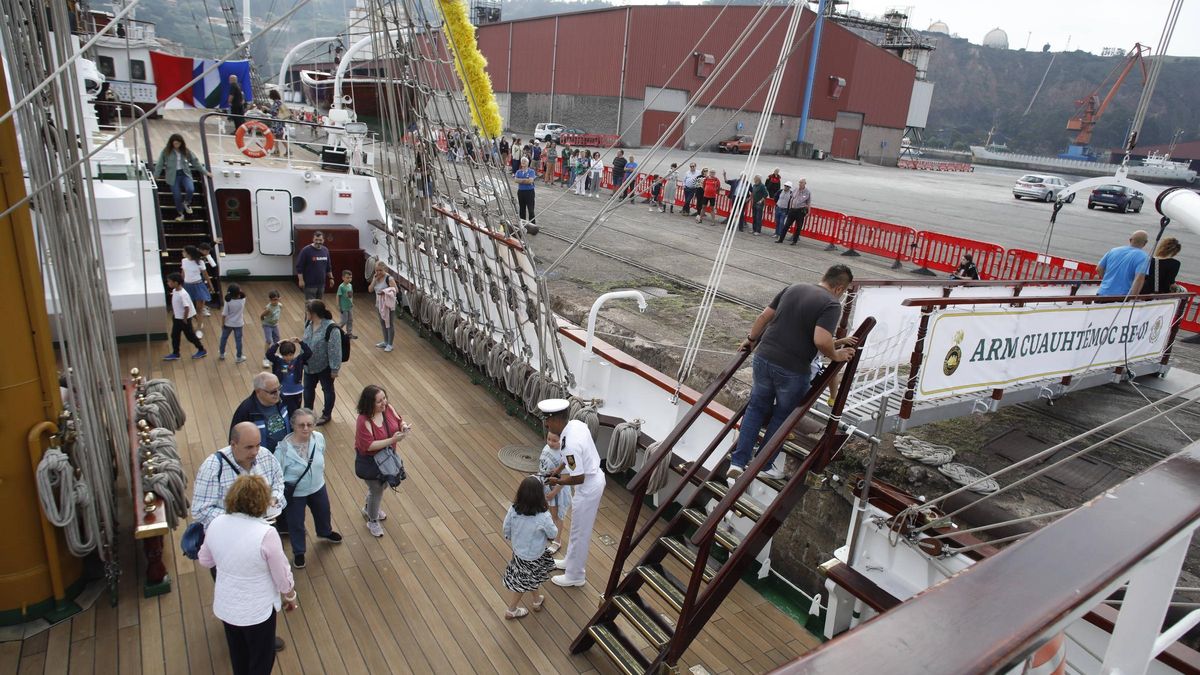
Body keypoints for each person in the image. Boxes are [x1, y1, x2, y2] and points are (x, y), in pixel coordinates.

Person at [728, 265, 858, 479]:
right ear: (839, 288)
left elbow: (763, 317)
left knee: (756, 408)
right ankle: (762, 467)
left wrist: (751, 340)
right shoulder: (831, 304)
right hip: (793, 369)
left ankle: (738, 461)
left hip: (764, 357)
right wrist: (837, 355)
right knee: (782, 417)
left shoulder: (793, 288)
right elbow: (821, 340)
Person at [197, 474, 296, 675]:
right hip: (257, 613)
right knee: (262, 660)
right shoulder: (266, 534)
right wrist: (290, 596)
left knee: (239, 657)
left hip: (227, 608)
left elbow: (205, 560)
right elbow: (282, 577)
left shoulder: (215, 524)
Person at [540, 398, 606, 588]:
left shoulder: (570, 444)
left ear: (557, 420)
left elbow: (578, 478)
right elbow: (567, 458)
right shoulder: (575, 425)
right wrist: (558, 470)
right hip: (592, 479)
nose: (546, 423)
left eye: (548, 419)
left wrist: (556, 481)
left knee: (580, 533)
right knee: (577, 529)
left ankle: (576, 575)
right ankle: (570, 561)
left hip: (588, 487)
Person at [277, 408, 342, 568]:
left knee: (323, 511)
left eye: (309, 424)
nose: (306, 428)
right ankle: (299, 551)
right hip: (295, 493)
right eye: (301, 425)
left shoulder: (318, 438)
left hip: (318, 486)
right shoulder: (283, 450)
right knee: (296, 522)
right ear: (293, 425)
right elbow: (277, 474)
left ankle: (325, 531)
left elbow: (322, 453)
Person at [354, 385, 410, 537]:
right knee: (377, 490)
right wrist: (392, 439)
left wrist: (403, 427)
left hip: (386, 459)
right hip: (371, 462)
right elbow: (369, 446)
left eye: (384, 398)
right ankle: (372, 520)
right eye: (379, 401)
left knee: (381, 487)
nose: (384, 403)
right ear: (369, 403)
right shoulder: (363, 421)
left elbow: (399, 420)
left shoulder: (388, 409)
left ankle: (369, 506)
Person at [501, 476, 558, 620]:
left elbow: (506, 527)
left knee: (530, 577)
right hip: (535, 554)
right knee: (523, 582)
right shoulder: (543, 516)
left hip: (519, 552)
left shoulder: (514, 509)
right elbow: (553, 533)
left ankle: (536, 600)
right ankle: (511, 610)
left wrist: (510, 537)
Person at [302, 301, 342, 426]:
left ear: (314, 313)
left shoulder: (331, 328)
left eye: (307, 311)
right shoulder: (309, 323)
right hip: (309, 366)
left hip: (325, 367)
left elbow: (335, 350)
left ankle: (326, 414)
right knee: (308, 389)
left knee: (327, 390)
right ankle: (307, 413)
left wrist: (334, 369)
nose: (305, 313)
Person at [155, 133, 211, 221]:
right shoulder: (166, 151)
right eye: (175, 143)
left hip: (185, 174)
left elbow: (195, 162)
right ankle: (181, 214)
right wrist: (156, 176)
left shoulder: (186, 151)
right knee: (177, 196)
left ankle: (187, 203)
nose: (176, 145)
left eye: (178, 143)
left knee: (190, 189)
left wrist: (205, 172)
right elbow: (159, 164)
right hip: (173, 176)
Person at [539, 431, 570, 555]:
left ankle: (557, 541)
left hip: (557, 490)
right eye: (548, 439)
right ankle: (550, 532)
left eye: (554, 440)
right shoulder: (547, 448)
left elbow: (566, 477)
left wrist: (554, 492)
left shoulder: (565, 455)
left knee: (556, 515)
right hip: (546, 486)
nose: (550, 443)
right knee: (547, 512)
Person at [163, 272, 206, 361]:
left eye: (170, 282)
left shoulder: (183, 294)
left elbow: (187, 307)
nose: (168, 283)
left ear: (176, 283)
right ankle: (176, 353)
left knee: (190, 336)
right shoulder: (175, 291)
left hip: (182, 319)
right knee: (174, 335)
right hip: (177, 318)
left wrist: (185, 319)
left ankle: (202, 350)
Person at [1097, 230, 1151, 297]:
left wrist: (1107, 280)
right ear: (1145, 242)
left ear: (1130, 240)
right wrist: (1132, 297)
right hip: (1121, 297)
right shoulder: (1144, 257)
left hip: (1102, 293)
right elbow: (1139, 278)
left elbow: (1099, 269)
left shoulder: (1114, 250)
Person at [266, 338, 311, 414]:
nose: (288, 357)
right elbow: (269, 354)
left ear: (293, 353)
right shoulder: (279, 361)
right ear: (282, 355)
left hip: (297, 391)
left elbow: (309, 353)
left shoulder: (298, 360)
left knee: (297, 410)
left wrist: (300, 342)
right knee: (289, 411)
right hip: (284, 393)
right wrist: (278, 343)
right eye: (285, 355)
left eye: (290, 355)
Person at [295, 231, 334, 300]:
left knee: (319, 305)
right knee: (310, 306)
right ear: (313, 239)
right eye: (316, 239)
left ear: (323, 240)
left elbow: (328, 267)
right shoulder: (305, 250)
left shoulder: (325, 250)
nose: (318, 242)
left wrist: (331, 278)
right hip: (310, 284)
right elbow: (299, 267)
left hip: (321, 284)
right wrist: (300, 280)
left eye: (320, 240)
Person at [181, 244, 214, 324]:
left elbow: (205, 275)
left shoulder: (200, 262)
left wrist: (210, 285)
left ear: (189, 253)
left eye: (184, 251)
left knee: (199, 308)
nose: (182, 253)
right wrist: (181, 284)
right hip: (187, 286)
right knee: (188, 307)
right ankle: (198, 321)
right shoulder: (184, 261)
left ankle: (199, 326)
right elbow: (183, 273)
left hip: (198, 285)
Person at [371, 261, 399, 352]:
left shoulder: (389, 278)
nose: (378, 272)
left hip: (388, 305)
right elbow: (370, 289)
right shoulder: (375, 277)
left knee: (389, 324)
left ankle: (390, 344)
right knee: (383, 323)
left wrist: (384, 292)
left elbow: (396, 290)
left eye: (380, 270)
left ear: (385, 269)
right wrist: (375, 280)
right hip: (379, 304)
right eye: (376, 270)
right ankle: (386, 341)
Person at [777, 179, 811, 245]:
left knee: (798, 227)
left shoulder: (807, 192)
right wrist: (789, 208)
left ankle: (794, 241)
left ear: (805, 183)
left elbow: (808, 202)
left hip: (800, 211)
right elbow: (791, 199)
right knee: (786, 225)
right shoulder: (795, 190)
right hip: (792, 209)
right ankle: (781, 239)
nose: (800, 184)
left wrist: (808, 212)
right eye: (799, 182)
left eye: (801, 183)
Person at [219, 283, 247, 362]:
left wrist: (222, 324)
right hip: (239, 324)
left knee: (223, 338)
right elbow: (243, 294)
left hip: (228, 324)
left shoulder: (228, 301)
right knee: (238, 341)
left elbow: (224, 314)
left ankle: (222, 354)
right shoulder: (243, 300)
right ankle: (239, 357)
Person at [260, 290, 282, 368]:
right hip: (267, 325)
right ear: (270, 300)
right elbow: (262, 315)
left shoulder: (280, 305)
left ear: (279, 298)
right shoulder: (269, 308)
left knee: (277, 340)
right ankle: (266, 358)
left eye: (276, 299)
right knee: (269, 340)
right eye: (272, 300)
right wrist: (265, 321)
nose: (274, 301)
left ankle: (272, 355)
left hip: (275, 325)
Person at [264, 89, 289, 156]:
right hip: (279, 122)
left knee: (277, 136)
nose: (269, 96)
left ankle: (281, 150)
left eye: (270, 95)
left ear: (272, 95)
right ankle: (278, 150)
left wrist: (266, 109)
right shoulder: (279, 102)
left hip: (277, 123)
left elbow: (274, 112)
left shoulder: (276, 103)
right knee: (278, 137)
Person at [515, 157, 537, 225]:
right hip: (521, 192)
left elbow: (530, 180)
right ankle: (523, 224)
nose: (523, 162)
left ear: (528, 163)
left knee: (531, 209)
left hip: (529, 192)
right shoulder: (518, 171)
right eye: (522, 161)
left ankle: (532, 224)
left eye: (525, 161)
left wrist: (521, 180)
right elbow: (515, 180)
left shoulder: (531, 171)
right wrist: (526, 180)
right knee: (522, 209)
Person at [336, 270, 356, 338]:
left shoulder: (350, 285)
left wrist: (352, 302)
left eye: (350, 277)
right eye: (347, 278)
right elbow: (338, 296)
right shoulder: (341, 286)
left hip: (349, 306)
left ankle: (349, 333)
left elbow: (351, 295)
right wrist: (338, 305)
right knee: (344, 321)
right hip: (343, 307)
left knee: (350, 320)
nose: (349, 279)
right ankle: (336, 331)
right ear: (343, 278)